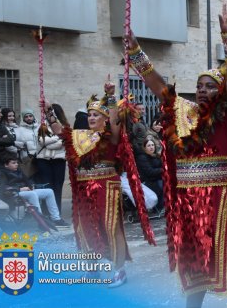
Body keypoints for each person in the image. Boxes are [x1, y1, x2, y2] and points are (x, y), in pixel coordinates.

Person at [125, 3, 227, 308]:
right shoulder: (183, 114)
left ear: (220, 91)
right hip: (188, 201)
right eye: (198, 86)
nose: (202, 90)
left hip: (223, 198)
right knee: (192, 266)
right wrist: (135, 54)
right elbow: (158, 86)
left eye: (210, 85)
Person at [45, 83, 155, 288]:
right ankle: (92, 268)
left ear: (105, 119)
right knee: (86, 228)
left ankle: (119, 270)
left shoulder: (111, 136)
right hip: (83, 189)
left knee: (112, 228)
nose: (92, 118)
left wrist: (110, 97)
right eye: (90, 115)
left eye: (96, 115)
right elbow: (60, 131)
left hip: (107, 187)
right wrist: (49, 111)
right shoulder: (80, 137)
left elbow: (115, 123)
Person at [0, 154, 68, 227]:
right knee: (32, 194)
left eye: (17, 162)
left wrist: (31, 186)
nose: (16, 164)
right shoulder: (1, 173)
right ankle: (41, 222)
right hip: (13, 193)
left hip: (25, 191)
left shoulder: (18, 171)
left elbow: (27, 181)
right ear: (6, 165)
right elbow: (3, 188)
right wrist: (19, 189)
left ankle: (56, 218)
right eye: (13, 163)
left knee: (49, 191)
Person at [36, 103, 68, 215]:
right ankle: (46, 214)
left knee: (57, 187)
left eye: (51, 112)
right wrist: (58, 138)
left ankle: (56, 215)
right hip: (43, 160)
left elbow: (64, 143)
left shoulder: (64, 126)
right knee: (47, 188)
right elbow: (42, 142)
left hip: (59, 160)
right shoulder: (42, 125)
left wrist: (52, 139)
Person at [134, 136, 164, 212]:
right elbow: (149, 172)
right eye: (149, 145)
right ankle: (159, 207)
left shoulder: (156, 155)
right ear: (144, 148)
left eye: (152, 145)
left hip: (158, 178)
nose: (151, 147)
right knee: (162, 185)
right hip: (148, 182)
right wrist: (163, 170)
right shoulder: (142, 158)